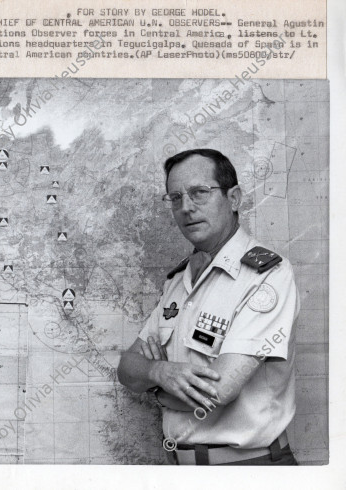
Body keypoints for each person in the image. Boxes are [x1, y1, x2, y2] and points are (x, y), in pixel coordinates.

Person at [117, 148, 299, 465]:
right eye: (175, 198)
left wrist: (154, 389)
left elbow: (219, 390)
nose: (186, 208)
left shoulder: (267, 276)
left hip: (249, 470)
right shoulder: (177, 281)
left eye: (200, 192)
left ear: (234, 198)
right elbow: (127, 369)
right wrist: (158, 370)